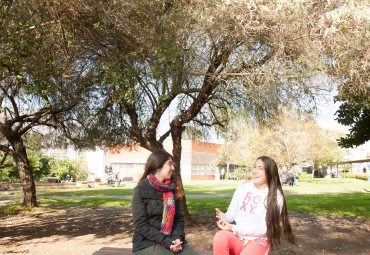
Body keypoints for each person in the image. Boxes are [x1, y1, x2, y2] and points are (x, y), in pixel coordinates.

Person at [213, 156, 297, 255]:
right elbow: (234, 210)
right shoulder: (243, 187)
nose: (255, 171)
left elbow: (264, 228)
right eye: (255, 167)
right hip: (238, 239)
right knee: (220, 236)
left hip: (259, 242)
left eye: (261, 168)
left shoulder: (275, 197)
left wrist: (233, 227)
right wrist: (225, 217)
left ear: (270, 173)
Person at [131, 150, 197, 255]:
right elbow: (141, 225)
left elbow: (179, 219)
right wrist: (167, 242)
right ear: (158, 166)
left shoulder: (173, 189)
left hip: (172, 239)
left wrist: (177, 238)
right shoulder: (140, 190)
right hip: (146, 242)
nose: (173, 168)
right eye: (169, 164)